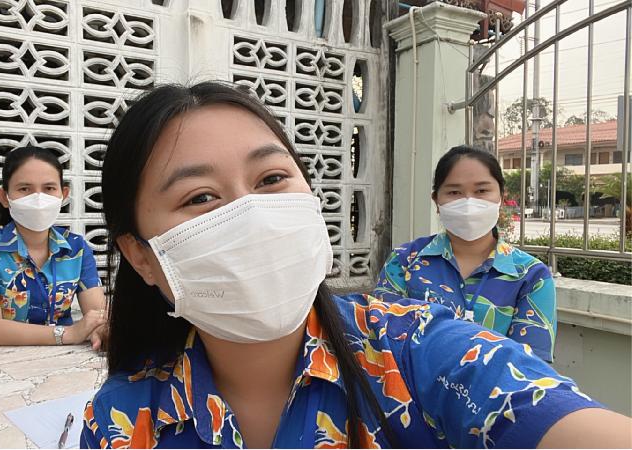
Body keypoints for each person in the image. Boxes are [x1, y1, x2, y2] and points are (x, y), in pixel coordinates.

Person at [80, 81, 631, 449]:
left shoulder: (414, 350)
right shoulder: (121, 422)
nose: (251, 213)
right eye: (200, 197)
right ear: (141, 257)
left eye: (271, 179)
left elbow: (539, 405)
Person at [373, 146, 557, 362]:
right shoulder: (404, 260)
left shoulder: (532, 277)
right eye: (454, 192)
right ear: (436, 201)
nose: (469, 202)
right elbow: (381, 342)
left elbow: (530, 367)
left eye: (481, 191)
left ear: (501, 196)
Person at [0, 146, 107, 348]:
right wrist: (69, 333)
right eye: (24, 189)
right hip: (5, 360)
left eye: (49, 188)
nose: (38, 198)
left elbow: (97, 315)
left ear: (63, 195)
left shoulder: (76, 247)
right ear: (4, 197)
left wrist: (99, 330)